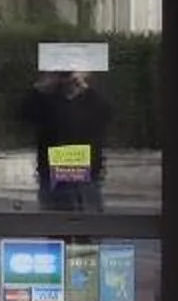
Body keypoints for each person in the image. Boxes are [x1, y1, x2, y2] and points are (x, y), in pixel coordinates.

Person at [23, 68, 112, 211]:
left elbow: (106, 114)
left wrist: (84, 87)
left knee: (89, 220)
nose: (67, 77)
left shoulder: (92, 100)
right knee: (55, 222)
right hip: (52, 171)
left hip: (87, 171)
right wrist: (42, 86)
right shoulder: (46, 100)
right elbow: (23, 114)